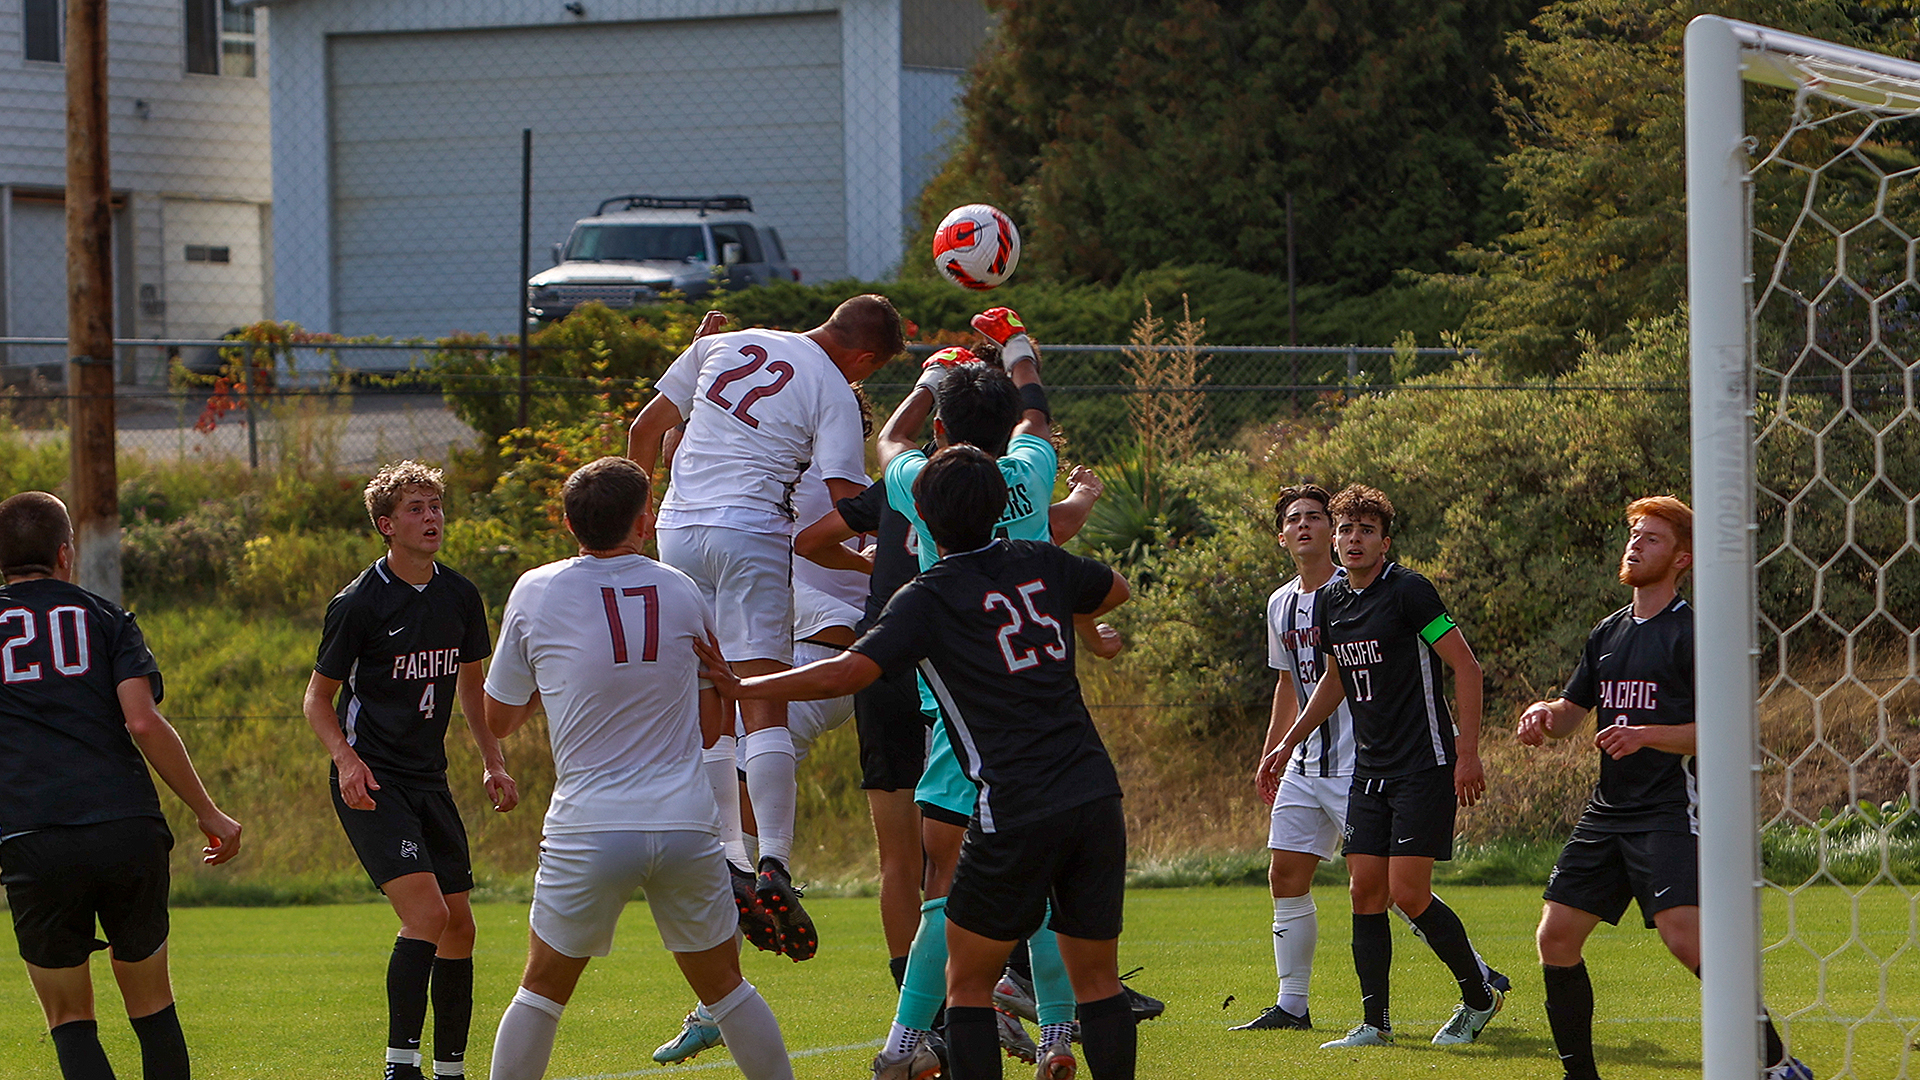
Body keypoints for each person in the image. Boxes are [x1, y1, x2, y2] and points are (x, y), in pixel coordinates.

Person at [700, 444, 1138, 1080]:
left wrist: (745, 687)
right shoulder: (1040, 558)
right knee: (1097, 980)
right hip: (1095, 793)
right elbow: (1114, 589)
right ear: (1002, 505)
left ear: (920, 519)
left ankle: (913, 1046)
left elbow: (846, 673)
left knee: (967, 984)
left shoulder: (928, 596)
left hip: (1013, 803)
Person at [482, 456, 795, 1080]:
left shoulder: (536, 589)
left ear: (569, 523)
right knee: (726, 989)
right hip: (684, 823)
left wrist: (558, 680)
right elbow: (712, 728)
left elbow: (500, 720)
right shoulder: (681, 590)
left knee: (541, 991)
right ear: (644, 521)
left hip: (590, 825)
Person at [628, 294, 906, 959]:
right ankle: (775, 860)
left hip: (677, 530)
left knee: (710, 700)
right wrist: (907, 503)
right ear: (865, 358)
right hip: (750, 532)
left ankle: (730, 857)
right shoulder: (833, 387)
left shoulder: (720, 344)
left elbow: (646, 431)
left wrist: (640, 522)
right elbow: (847, 499)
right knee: (762, 702)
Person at [1515, 496, 1810, 1080]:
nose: (1635, 544)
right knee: (1556, 937)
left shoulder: (1694, 633)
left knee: (1685, 940)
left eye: (1651, 538)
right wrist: (1542, 713)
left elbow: (1724, 731)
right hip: (1607, 812)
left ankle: (1778, 1064)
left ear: (1682, 558)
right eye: (1634, 534)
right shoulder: (1608, 632)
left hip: (1670, 809)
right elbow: (1571, 715)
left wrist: (1646, 734)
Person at [1236, 485, 1505, 1033]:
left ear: (1385, 542)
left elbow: (1467, 666)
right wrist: (1288, 741)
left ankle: (1480, 994)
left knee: (1408, 893)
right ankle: (1373, 1025)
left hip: (1423, 763)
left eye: (1366, 530)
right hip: (1370, 769)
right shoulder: (1334, 601)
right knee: (1364, 892)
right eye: (1346, 530)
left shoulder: (1410, 592)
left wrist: (1468, 753)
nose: (1353, 539)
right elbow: (1333, 678)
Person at [0, 491, 243, 1080]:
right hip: (125, 825)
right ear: (66, 553)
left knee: (69, 1017)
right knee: (152, 1006)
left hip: (33, 832)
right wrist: (208, 811)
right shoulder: (107, 618)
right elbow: (143, 722)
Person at [302, 461, 519, 1080]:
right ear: (386, 525)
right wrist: (346, 760)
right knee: (427, 916)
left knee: (461, 929)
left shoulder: (460, 595)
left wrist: (493, 761)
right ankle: (401, 1065)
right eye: (416, 509)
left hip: (429, 778)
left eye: (436, 506)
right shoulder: (359, 603)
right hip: (373, 781)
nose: (431, 518)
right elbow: (317, 699)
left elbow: (471, 689)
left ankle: (450, 1070)